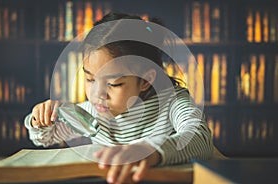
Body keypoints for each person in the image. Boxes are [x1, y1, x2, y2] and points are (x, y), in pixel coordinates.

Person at [24, 12, 214, 184]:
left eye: (113, 84)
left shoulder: (173, 103)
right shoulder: (92, 112)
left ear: (146, 80)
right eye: (90, 79)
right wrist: (40, 119)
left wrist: (149, 151)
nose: (97, 94)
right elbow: (44, 138)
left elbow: (200, 139)